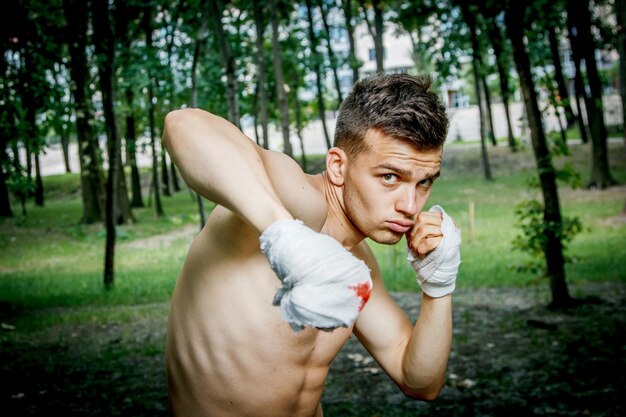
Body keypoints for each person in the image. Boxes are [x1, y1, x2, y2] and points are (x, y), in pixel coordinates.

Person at [163, 73, 460, 417]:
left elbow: (419, 380)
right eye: (390, 177)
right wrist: (285, 233)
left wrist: (439, 283)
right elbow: (184, 125)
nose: (411, 205)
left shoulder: (354, 262)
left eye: (423, 182)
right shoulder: (298, 200)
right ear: (337, 166)